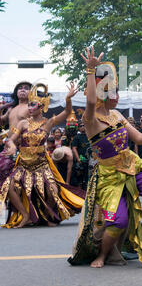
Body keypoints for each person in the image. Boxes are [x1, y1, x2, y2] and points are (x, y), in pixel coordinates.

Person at [68, 47, 142, 269]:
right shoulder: (90, 119)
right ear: (102, 94)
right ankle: (103, 254)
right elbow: (90, 102)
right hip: (109, 175)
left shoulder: (118, 115)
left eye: (117, 91)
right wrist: (91, 70)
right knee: (117, 222)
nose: (116, 96)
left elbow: (138, 138)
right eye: (111, 92)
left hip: (132, 164)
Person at [0, 82, 85, 228]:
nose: (30, 108)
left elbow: (66, 112)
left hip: (41, 165)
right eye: (29, 105)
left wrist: (68, 99)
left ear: (42, 107)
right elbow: (11, 140)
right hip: (23, 165)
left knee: (53, 191)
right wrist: (13, 146)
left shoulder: (49, 123)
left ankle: (47, 215)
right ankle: (25, 215)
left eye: (33, 105)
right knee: (9, 186)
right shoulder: (23, 124)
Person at [71, 121, 90, 189]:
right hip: (81, 160)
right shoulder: (77, 137)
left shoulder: (90, 135)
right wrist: (78, 158)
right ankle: (80, 192)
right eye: (81, 126)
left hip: (90, 160)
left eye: (83, 125)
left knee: (88, 176)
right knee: (79, 176)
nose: (82, 127)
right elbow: (74, 148)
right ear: (78, 128)